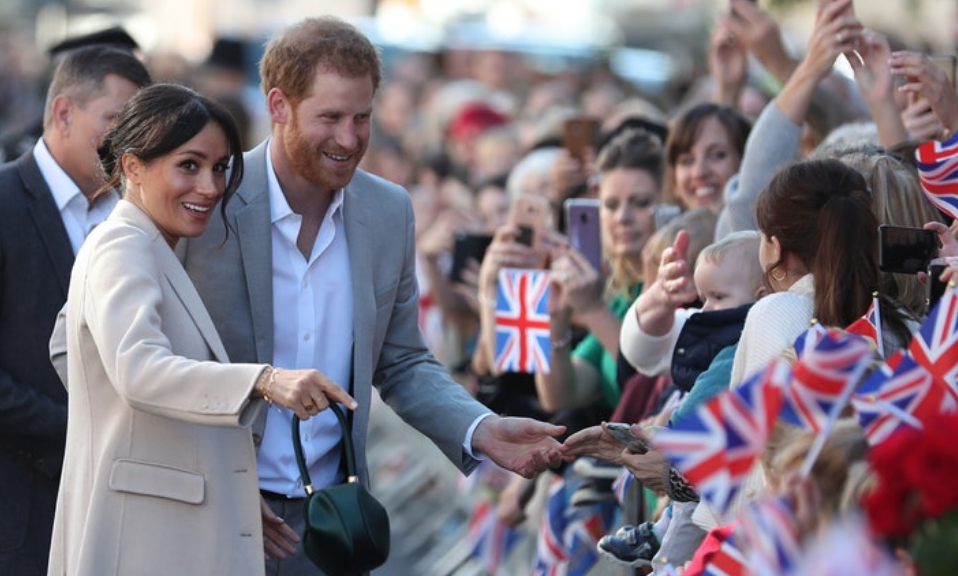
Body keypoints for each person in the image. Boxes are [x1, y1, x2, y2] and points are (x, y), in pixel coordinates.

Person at [175, 17, 566, 574]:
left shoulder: (388, 211)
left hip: (330, 524)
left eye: (362, 118)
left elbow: (401, 360)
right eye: (330, 118)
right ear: (279, 105)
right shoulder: (207, 199)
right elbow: (148, 356)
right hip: (210, 512)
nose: (350, 138)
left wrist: (479, 427)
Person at [48, 83, 365, 576]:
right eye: (189, 165)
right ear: (133, 167)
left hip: (160, 526)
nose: (211, 187)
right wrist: (265, 381)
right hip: (140, 538)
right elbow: (138, 370)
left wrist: (212, 478)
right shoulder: (124, 246)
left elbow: (70, 352)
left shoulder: (150, 245)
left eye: (219, 168)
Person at [0, 45, 150, 576]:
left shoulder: (137, 217)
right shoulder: (5, 204)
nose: (131, 142)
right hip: (21, 515)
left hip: (122, 517)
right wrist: (80, 432)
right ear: (64, 113)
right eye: (116, 121)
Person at [570, 231, 767, 570]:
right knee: (685, 513)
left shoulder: (742, 339)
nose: (706, 309)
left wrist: (673, 431)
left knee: (687, 522)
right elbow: (641, 347)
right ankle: (660, 537)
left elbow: (706, 393)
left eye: (718, 297)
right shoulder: (724, 330)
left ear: (761, 297)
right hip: (714, 457)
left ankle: (664, 556)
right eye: (703, 298)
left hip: (715, 461)